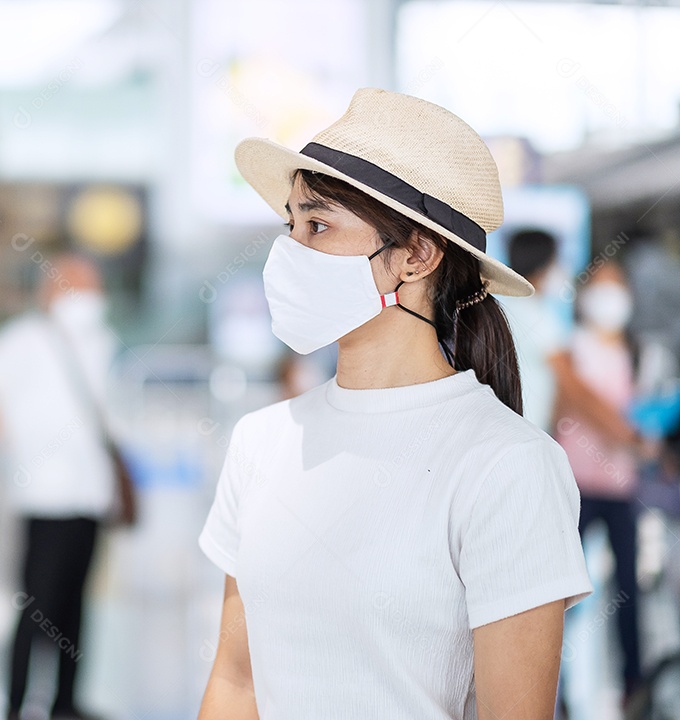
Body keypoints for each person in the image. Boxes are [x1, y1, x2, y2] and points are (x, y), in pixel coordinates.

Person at [196, 88, 593, 719]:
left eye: (318, 225)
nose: (290, 251)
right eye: (290, 225)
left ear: (416, 256)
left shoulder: (507, 465)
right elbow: (237, 682)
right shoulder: (262, 440)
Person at [0, 254, 130, 720]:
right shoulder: (27, 338)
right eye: (81, 286)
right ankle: (15, 704)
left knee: (78, 603)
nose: (91, 297)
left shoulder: (102, 342)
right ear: (54, 290)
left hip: (90, 494)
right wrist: (12, 442)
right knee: (36, 605)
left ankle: (66, 700)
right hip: (44, 494)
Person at [554, 261, 644, 703]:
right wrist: (631, 437)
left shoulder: (635, 350)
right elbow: (580, 405)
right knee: (561, 594)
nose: (610, 298)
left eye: (617, 286)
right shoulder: (570, 348)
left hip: (621, 488)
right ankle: (554, 689)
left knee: (629, 592)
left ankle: (634, 686)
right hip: (577, 487)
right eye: (602, 287)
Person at [498, 229, 568, 432]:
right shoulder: (536, 313)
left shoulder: (504, 306)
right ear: (542, 266)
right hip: (528, 429)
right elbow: (569, 382)